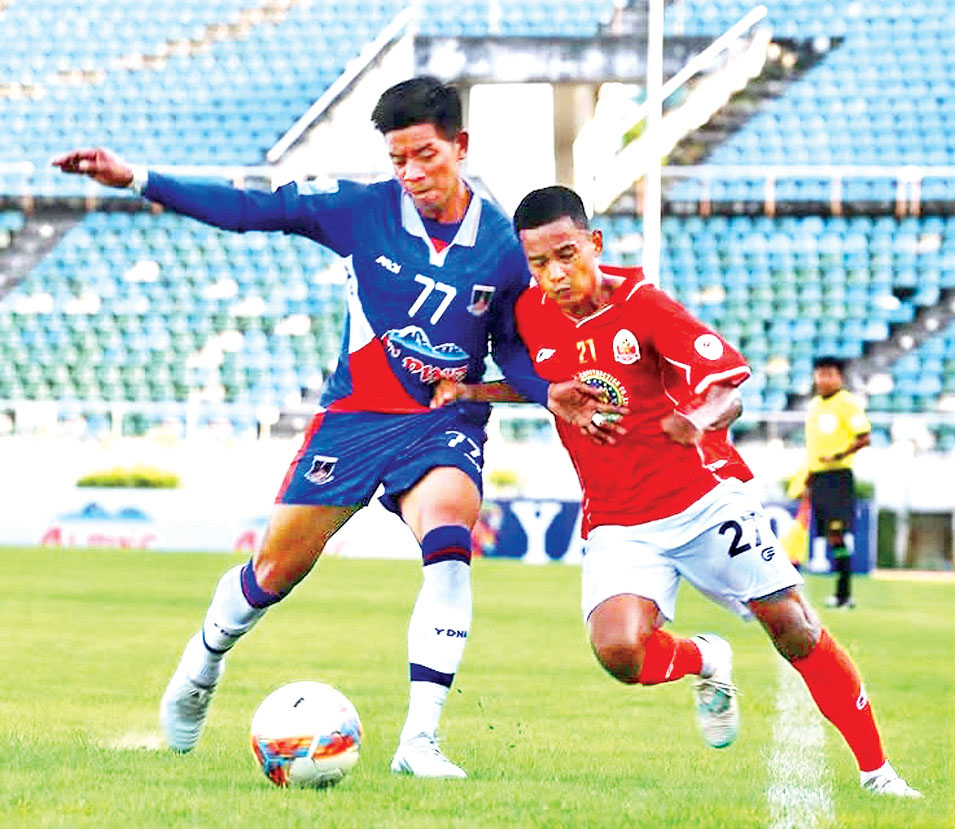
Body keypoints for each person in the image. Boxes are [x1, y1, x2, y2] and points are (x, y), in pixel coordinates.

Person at [52, 78, 623, 779]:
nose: (412, 173)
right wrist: (139, 179)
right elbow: (252, 210)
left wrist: (546, 391)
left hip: (440, 421)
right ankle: (202, 664)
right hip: (353, 419)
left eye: (425, 155)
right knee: (272, 573)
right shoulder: (361, 211)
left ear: (460, 147)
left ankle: (419, 741)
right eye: (398, 159)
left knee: (450, 540)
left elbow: (507, 345)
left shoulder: (504, 246)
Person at [434, 185, 920, 797]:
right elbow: (543, 384)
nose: (555, 274)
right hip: (618, 519)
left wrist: (698, 416)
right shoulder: (532, 312)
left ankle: (878, 773)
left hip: (702, 500)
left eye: (566, 255)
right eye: (539, 263)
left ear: (594, 243)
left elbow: (727, 388)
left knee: (793, 626)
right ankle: (706, 658)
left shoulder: (643, 305)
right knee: (619, 651)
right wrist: (473, 391)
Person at [795, 356, 871, 608]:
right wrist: (807, 478)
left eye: (829, 374)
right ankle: (837, 594)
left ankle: (844, 594)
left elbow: (864, 437)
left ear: (839, 377)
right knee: (826, 535)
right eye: (820, 374)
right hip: (817, 477)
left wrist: (838, 456)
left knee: (837, 533)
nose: (823, 379)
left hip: (838, 476)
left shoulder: (847, 403)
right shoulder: (815, 405)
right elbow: (813, 446)